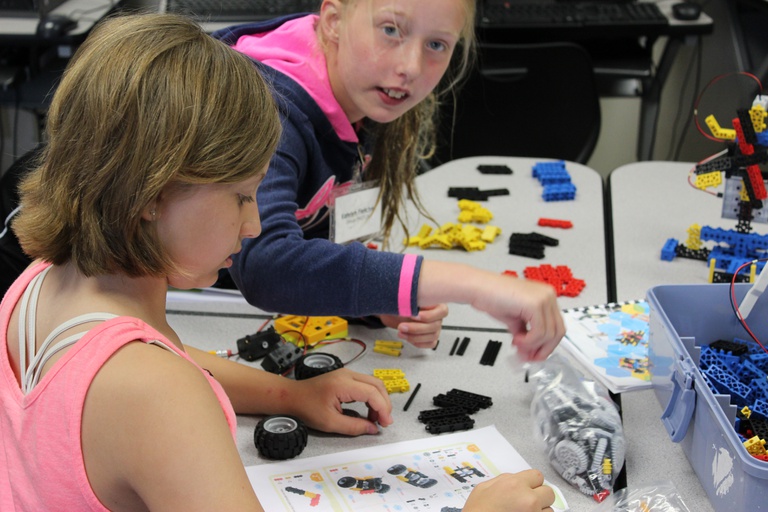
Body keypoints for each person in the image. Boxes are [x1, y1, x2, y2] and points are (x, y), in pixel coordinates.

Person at [0, 12, 555, 512]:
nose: (254, 225)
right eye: (242, 197)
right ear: (151, 194)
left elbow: (161, 360)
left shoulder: (38, 285)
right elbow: (159, 384)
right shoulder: (160, 397)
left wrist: (289, 395)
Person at [214, 0, 566, 359]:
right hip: (191, 316)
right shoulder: (268, 110)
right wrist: (473, 285)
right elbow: (266, 265)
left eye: (436, 45)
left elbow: (312, 232)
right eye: (390, 30)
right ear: (334, 21)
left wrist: (381, 300)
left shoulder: (362, 91)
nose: (411, 67)